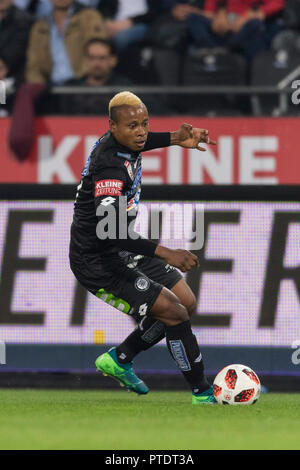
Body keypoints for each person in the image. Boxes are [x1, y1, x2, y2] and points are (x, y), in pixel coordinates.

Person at [69, 91, 217, 405]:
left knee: (186, 302)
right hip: (97, 260)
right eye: (132, 125)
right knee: (174, 313)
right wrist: (167, 252)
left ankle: (121, 358)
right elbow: (109, 231)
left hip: (122, 247)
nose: (141, 132)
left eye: (144, 124)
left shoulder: (123, 142)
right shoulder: (109, 169)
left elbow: (139, 141)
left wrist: (177, 138)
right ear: (112, 127)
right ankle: (203, 393)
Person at [25, 0, 107, 85]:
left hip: (84, 86)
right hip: (50, 89)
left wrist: (87, 81)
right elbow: (33, 66)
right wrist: (38, 88)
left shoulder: (89, 17)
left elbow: (99, 52)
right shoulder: (39, 26)